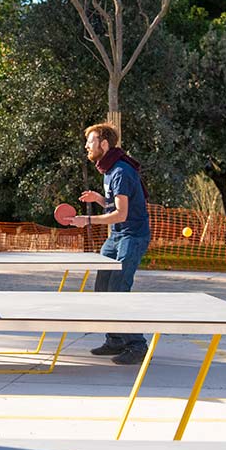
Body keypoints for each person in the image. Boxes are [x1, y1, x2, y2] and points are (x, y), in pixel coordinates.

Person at [70, 122, 151, 365]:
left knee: (118, 291)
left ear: (104, 144)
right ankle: (115, 339)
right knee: (102, 290)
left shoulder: (121, 171)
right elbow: (115, 204)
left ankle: (137, 345)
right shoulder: (109, 170)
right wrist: (100, 198)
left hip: (132, 236)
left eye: (90, 141)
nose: (86, 146)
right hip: (116, 236)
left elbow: (122, 214)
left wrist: (88, 220)